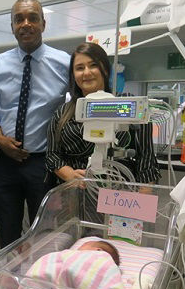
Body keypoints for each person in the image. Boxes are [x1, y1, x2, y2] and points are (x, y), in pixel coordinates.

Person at [0, 0, 70, 249]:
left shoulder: (64, 63)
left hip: (42, 163)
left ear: (43, 24)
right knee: (7, 234)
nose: (26, 24)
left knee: (43, 233)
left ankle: (37, 285)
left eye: (32, 18)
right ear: (12, 26)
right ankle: (8, 285)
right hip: (4, 161)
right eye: (18, 19)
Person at [46, 42, 161, 187]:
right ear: (73, 75)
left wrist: (144, 201)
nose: (86, 72)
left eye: (93, 65)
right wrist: (69, 174)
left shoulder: (128, 104)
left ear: (105, 69)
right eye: (80, 68)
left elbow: (146, 159)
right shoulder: (62, 113)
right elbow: (52, 154)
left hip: (119, 194)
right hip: (75, 194)